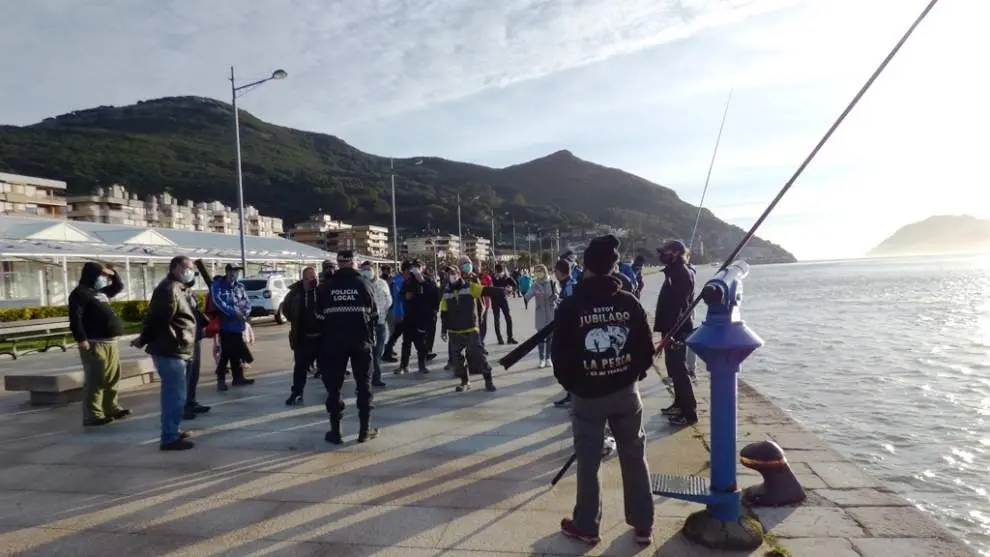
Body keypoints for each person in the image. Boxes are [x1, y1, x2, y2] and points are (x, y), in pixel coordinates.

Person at [551, 234, 656, 546]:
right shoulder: (629, 302)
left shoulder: (570, 306)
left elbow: (561, 357)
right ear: (614, 266)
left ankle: (587, 525)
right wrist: (631, 375)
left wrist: (576, 386)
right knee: (634, 457)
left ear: (585, 266)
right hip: (626, 392)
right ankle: (643, 525)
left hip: (587, 397)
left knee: (589, 461)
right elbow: (645, 350)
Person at [133, 256, 199, 451]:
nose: (190, 271)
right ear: (175, 267)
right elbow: (157, 319)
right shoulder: (168, 289)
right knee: (174, 395)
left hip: (179, 348)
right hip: (171, 349)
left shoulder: (179, 288)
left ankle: (173, 429)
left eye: (192, 268)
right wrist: (143, 339)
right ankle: (169, 437)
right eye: (187, 267)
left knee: (178, 395)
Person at [316, 250, 380, 444]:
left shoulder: (326, 287)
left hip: (333, 344)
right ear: (354, 263)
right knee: (364, 386)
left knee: (334, 388)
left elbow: (318, 317)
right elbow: (374, 316)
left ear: (338, 263)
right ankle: (364, 431)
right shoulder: (364, 284)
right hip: (361, 343)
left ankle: (336, 432)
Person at [69, 262, 130, 427]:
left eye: (105, 276)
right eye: (101, 275)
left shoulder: (99, 292)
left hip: (110, 342)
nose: (104, 279)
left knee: (112, 377)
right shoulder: (80, 293)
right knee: (96, 378)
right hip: (95, 343)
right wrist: (81, 338)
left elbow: (118, 286)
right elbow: (76, 318)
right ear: (91, 275)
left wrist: (113, 272)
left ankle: (111, 407)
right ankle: (93, 415)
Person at [439, 265, 504, 392]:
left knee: (479, 356)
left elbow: (486, 290)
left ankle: (488, 380)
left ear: (458, 274)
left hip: (470, 329)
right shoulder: (446, 292)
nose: (451, 275)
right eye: (448, 274)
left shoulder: (469, 287)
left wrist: (502, 290)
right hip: (454, 331)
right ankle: (465, 381)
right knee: (457, 360)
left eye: (453, 272)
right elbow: (444, 312)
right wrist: (443, 330)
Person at [654, 239, 698, 426]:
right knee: (674, 370)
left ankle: (689, 413)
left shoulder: (681, 274)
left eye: (665, 252)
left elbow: (681, 307)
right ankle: (679, 404)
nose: (662, 256)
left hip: (676, 331)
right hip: (670, 329)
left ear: (675, 254)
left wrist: (671, 334)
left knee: (680, 371)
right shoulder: (674, 273)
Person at [210, 263, 254, 391]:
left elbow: (247, 302)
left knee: (237, 353)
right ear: (227, 271)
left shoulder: (240, 286)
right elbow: (219, 302)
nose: (235, 273)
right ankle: (221, 379)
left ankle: (238, 378)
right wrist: (234, 312)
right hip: (226, 326)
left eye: (237, 271)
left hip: (238, 325)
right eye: (233, 271)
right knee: (226, 353)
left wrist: (246, 312)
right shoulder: (218, 286)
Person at [283, 266, 321, 405]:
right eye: (311, 277)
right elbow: (286, 309)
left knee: (329, 368)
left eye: (315, 276)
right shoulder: (295, 293)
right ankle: (297, 392)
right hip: (302, 338)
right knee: (300, 368)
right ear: (304, 279)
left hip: (321, 338)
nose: (314, 279)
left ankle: (334, 393)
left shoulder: (322, 291)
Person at [396, 259, 438, 375]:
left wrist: (422, 282)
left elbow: (434, 295)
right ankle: (404, 365)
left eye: (418, 267)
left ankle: (422, 365)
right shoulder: (408, 281)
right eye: (413, 268)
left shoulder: (428, 280)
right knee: (406, 342)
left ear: (422, 268)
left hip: (423, 316)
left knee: (421, 343)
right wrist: (406, 297)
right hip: (409, 315)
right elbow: (401, 295)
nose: (415, 270)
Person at [360, 260, 392, 387]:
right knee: (367, 353)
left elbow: (389, 300)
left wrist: (382, 313)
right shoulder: (360, 284)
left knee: (377, 352)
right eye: (365, 269)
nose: (367, 271)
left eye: (369, 269)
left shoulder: (382, 283)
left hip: (380, 322)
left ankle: (376, 377)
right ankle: (367, 378)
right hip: (366, 324)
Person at [183, 275, 211, 420]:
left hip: (195, 337)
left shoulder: (189, 292)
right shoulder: (174, 292)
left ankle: (191, 401)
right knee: (185, 375)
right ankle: (182, 407)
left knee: (194, 373)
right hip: (184, 340)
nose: (191, 276)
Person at [552, 259, 577, 407]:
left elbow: (572, 309)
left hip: (570, 333)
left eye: (555, 271)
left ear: (559, 272)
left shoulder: (570, 286)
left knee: (568, 364)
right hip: (564, 330)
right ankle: (570, 394)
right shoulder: (564, 285)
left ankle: (573, 395)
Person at [524, 264, 558, 368]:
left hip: (551, 313)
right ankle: (541, 359)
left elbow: (558, 294)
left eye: (540, 271)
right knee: (540, 338)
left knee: (550, 338)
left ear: (545, 271)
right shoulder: (535, 285)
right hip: (540, 314)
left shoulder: (551, 283)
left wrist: (555, 296)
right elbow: (528, 295)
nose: (538, 273)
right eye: (536, 272)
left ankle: (548, 358)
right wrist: (526, 297)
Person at [382, 261, 408, 362]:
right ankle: (387, 353)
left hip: (396, 310)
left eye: (390, 270)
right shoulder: (397, 281)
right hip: (394, 310)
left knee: (395, 334)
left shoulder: (396, 279)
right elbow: (397, 298)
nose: (389, 272)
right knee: (394, 333)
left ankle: (388, 352)